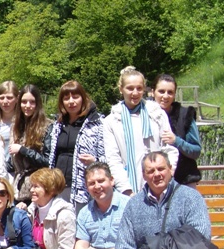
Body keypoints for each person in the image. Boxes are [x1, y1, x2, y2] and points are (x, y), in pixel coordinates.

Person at [104, 66, 177, 195]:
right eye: (130, 88)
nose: (135, 93)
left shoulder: (156, 114)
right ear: (121, 89)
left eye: (139, 88)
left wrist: (167, 175)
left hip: (159, 183)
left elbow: (169, 148)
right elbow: (113, 158)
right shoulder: (112, 121)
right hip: (128, 185)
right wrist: (126, 189)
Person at [46, 80, 105, 210]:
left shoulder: (96, 123)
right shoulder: (58, 124)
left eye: (75, 97)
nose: (71, 101)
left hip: (83, 188)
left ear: (83, 98)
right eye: (66, 98)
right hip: (58, 186)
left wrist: (94, 162)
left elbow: (106, 157)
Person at [152, 74, 202, 187]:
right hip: (153, 182)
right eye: (161, 91)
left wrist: (176, 141)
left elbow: (196, 151)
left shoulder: (185, 115)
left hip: (184, 181)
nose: (165, 96)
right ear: (153, 92)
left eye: (170, 92)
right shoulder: (143, 116)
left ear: (175, 94)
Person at [8, 84, 51, 207]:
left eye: (32, 102)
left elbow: (47, 161)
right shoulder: (16, 126)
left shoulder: (47, 126)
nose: (27, 106)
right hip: (18, 188)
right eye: (24, 102)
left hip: (38, 187)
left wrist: (23, 150)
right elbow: (13, 163)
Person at [0, 81, 19, 153]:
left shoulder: (23, 122)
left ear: (17, 99)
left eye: (9, 98)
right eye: (1, 98)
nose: (5, 101)